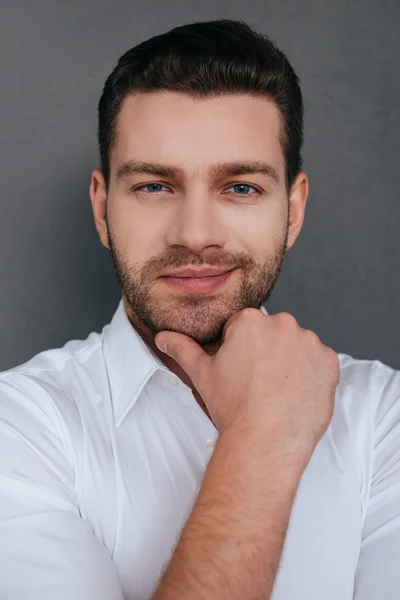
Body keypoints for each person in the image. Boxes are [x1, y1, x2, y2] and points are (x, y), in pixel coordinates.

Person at [0, 17, 399, 600]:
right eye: (154, 186)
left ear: (293, 211)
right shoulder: (21, 429)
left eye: (240, 188)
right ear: (101, 208)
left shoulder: (384, 418)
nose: (194, 234)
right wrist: (265, 436)